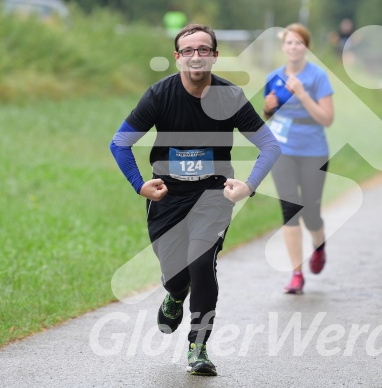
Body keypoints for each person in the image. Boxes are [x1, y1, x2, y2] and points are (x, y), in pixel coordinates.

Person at [109, 24, 280, 376]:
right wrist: (139, 185)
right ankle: (174, 293)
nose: (196, 56)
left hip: (213, 193)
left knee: (201, 262)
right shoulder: (159, 95)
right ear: (177, 58)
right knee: (176, 274)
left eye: (204, 50)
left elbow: (270, 145)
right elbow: (120, 143)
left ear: (215, 56)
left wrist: (248, 185)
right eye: (188, 51)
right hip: (167, 195)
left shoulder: (230, 97)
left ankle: (198, 347)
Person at [263, 23, 334, 294]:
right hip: (282, 151)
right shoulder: (273, 77)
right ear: (283, 46)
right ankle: (296, 274)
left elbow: (327, 119)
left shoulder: (318, 77)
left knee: (311, 214)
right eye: (289, 42)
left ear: (306, 47)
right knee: (290, 209)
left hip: (314, 151)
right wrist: (268, 109)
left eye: (299, 43)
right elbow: (269, 113)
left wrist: (302, 94)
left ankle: (319, 245)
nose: (294, 47)